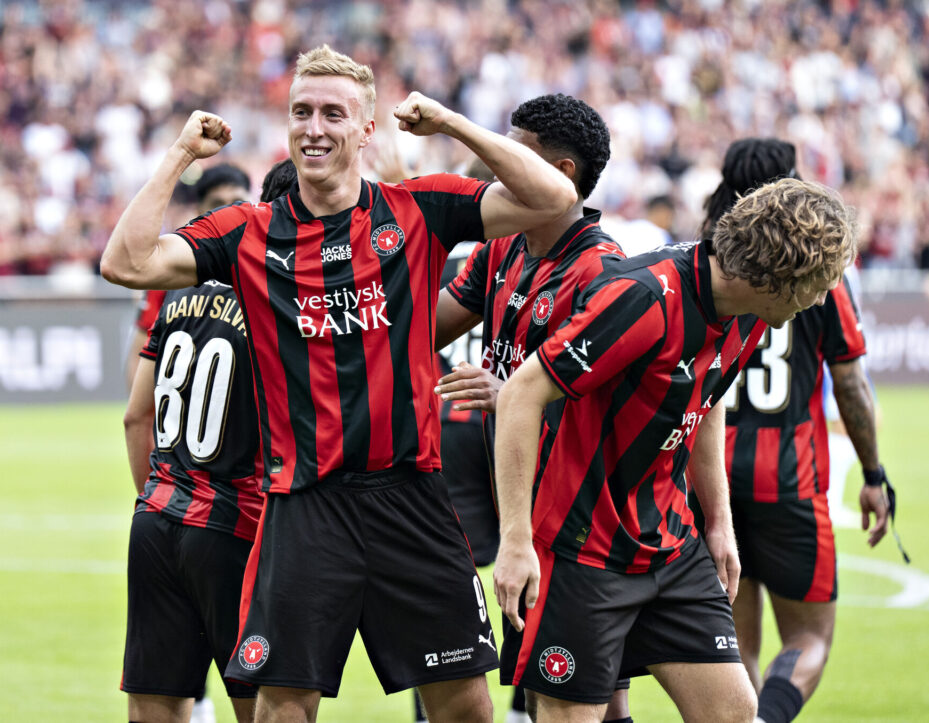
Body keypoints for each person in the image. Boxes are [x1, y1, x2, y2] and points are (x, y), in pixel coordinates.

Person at [100, 44, 576, 723]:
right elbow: (125, 261)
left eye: (333, 113)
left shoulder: (420, 209)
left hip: (410, 494)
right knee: (283, 708)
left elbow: (555, 196)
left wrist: (451, 123)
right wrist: (181, 154)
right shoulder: (248, 233)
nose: (313, 128)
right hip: (305, 505)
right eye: (301, 112)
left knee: (468, 705)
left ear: (366, 129)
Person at [492, 177, 858, 723]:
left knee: (735, 711)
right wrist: (516, 540)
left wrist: (719, 521)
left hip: (670, 543)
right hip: (578, 550)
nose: (825, 296)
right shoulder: (644, 298)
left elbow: (706, 397)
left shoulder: (750, 312)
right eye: (821, 282)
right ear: (781, 277)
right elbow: (521, 394)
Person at [433, 93, 632, 723]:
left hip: (578, 512)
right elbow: (424, 325)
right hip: (515, 488)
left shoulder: (604, 272)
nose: (497, 168)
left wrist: (513, 397)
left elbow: (617, 411)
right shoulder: (504, 248)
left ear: (560, 174)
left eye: (514, 151)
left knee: (589, 693)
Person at [703, 138, 892, 723]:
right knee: (809, 640)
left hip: (707, 480)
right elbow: (853, 386)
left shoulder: (698, 264)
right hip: (789, 479)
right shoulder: (819, 274)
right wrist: (874, 473)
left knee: (740, 649)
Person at [119, 161, 282, 723]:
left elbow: (134, 417)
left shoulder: (177, 298)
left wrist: (157, 497)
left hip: (157, 520)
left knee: (155, 705)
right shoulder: (277, 306)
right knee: (264, 706)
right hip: (235, 528)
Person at [123, 163, 252, 391]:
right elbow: (139, 353)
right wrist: (144, 420)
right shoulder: (170, 269)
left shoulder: (269, 262)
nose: (228, 213)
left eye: (237, 203)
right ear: (200, 211)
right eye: (217, 204)